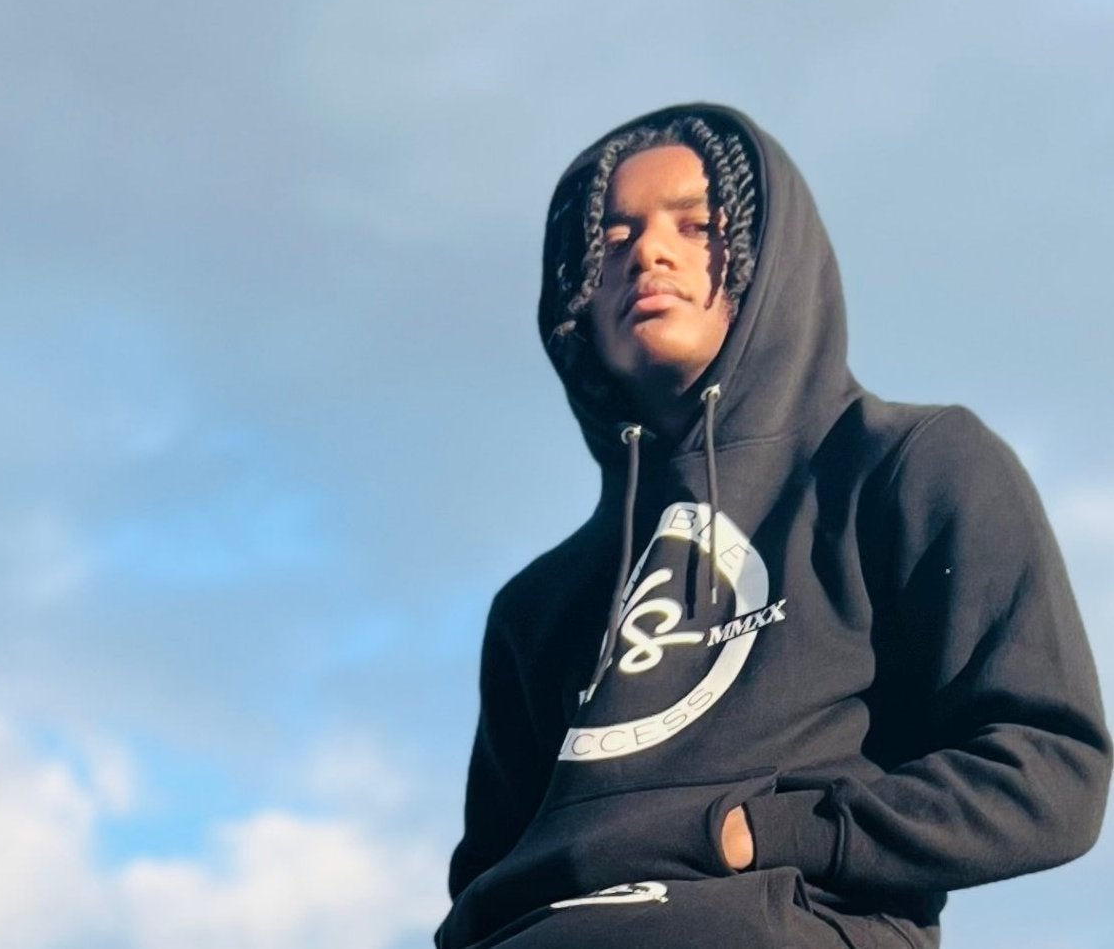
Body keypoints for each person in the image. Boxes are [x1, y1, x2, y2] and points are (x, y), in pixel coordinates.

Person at [437, 106, 1109, 947]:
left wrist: (771, 833)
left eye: (696, 226)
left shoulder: (905, 464)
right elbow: (482, 882)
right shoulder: (536, 605)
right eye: (611, 239)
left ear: (766, 255)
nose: (647, 253)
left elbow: (1048, 771)